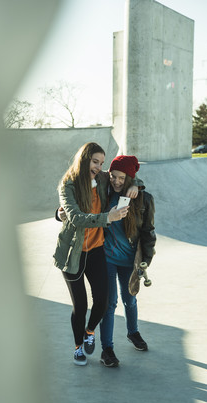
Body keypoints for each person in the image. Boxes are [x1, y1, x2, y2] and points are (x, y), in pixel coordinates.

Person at [53, 143, 139, 366]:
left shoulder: (101, 179)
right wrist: (106, 218)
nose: (100, 167)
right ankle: (78, 348)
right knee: (80, 306)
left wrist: (136, 185)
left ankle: (89, 332)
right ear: (84, 159)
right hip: (72, 253)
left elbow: (121, 179)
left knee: (103, 300)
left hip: (96, 250)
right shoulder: (68, 184)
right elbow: (76, 217)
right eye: (95, 162)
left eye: (102, 163)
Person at [99, 155, 156, 368]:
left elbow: (148, 232)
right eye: (113, 176)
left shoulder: (144, 199)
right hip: (106, 257)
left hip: (130, 260)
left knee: (130, 298)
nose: (116, 181)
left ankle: (133, 332)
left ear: (130, 178)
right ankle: (107, 349)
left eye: (121, 178)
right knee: (109, 303)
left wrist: (146, 261)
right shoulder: (104, 191)